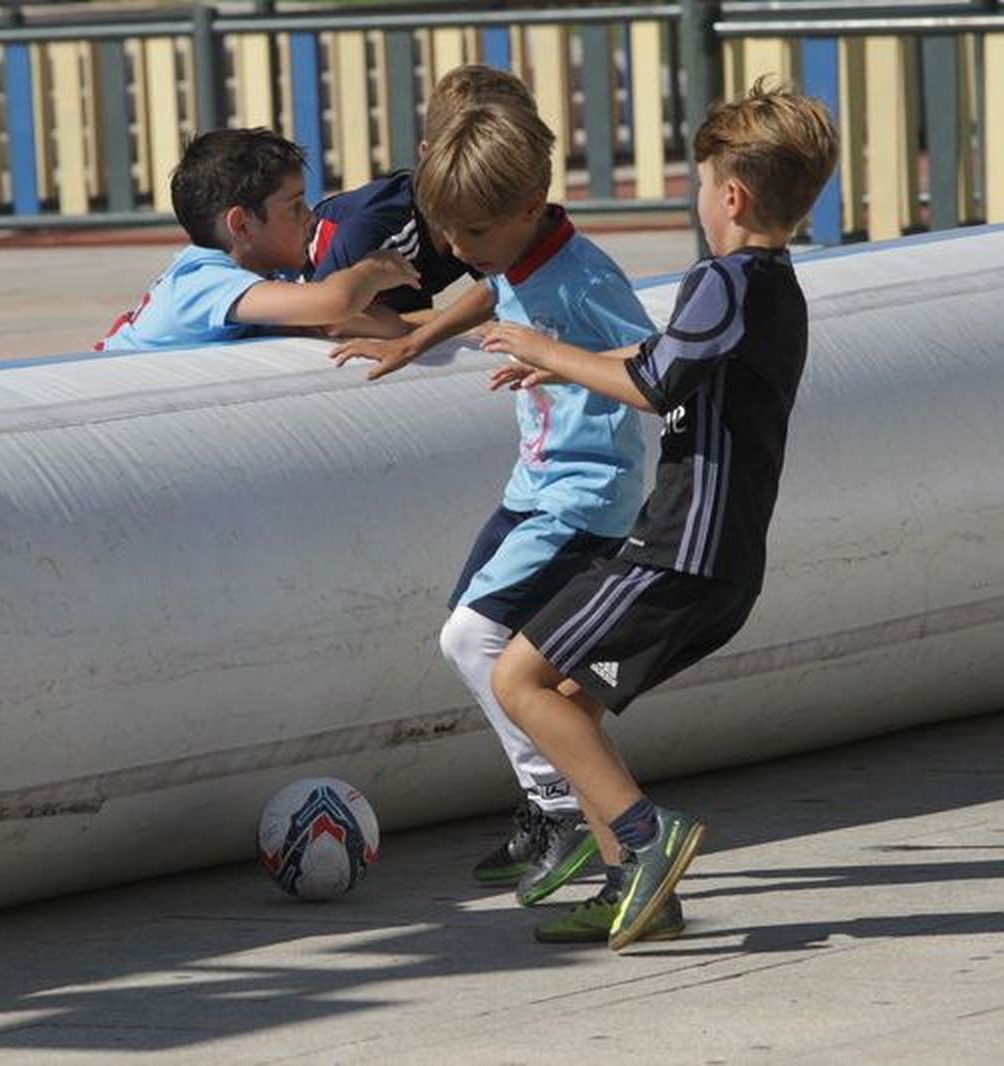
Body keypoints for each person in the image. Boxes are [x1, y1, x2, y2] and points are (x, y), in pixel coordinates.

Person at [480, 79, 839, 950]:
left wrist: (546, 347)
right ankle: (636, 889)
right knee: (570, 698)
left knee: (517, 679)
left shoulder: (722, 277)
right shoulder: (766, 286)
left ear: (732, 196)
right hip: (718, 556)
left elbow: (653, 382)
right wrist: (568, 368)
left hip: (679, 547)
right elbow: (663, 356)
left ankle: (648, 838)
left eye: (699, 184)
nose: (697, 202)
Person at [402, 100, 661, 907]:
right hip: (535, 487)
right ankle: (558, 804)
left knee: (470, 636)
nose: (456, 251)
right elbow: (491, 288)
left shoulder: (583, 277)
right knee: (471, 630)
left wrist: (559, 358)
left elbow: (658, 360)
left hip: (584, 499)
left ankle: (564, 807)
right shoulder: (513, 256)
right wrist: (412, 334)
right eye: (446, 233)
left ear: (526, 209)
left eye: (471, 234)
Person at [97, 128, 418, 352]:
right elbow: (335, 304)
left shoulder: (262, 281)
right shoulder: (204, 281)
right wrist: (372, 270)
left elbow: (377, 325)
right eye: (294, 207)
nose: (311, 216)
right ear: (241, 224)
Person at [314, 64, 539, 366]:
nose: (488, 184)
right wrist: (444, 321)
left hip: (395, 299)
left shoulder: (491, 216)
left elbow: (518, 295)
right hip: (321, 288)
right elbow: (324, 316)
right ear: (427, 154)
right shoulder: (382, 225)